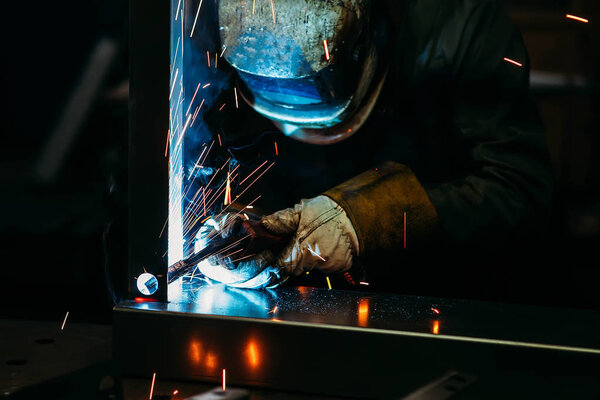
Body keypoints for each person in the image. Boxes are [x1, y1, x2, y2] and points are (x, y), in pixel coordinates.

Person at [196, 0, 553, 290]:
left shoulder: (462, 26)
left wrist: (362, 220)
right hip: (314, 304)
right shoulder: (210, 28)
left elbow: (518, 189)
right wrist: (239, 224)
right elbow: (227, 156)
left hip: (450, 290)